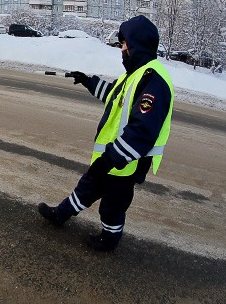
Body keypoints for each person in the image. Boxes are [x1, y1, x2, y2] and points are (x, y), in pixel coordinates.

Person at [38, 15, 174, 251]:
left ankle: (109, 239)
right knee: (87, 187)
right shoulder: (135, 75)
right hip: (111, 156)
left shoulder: (154, 80)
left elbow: (143, 130)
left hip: (124, 162)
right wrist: (88, 81)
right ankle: (59, 215)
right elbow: (115, 97)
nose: (122, 49)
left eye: (125, 45)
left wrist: (112, 158)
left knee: (112, 205)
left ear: (137, 45)